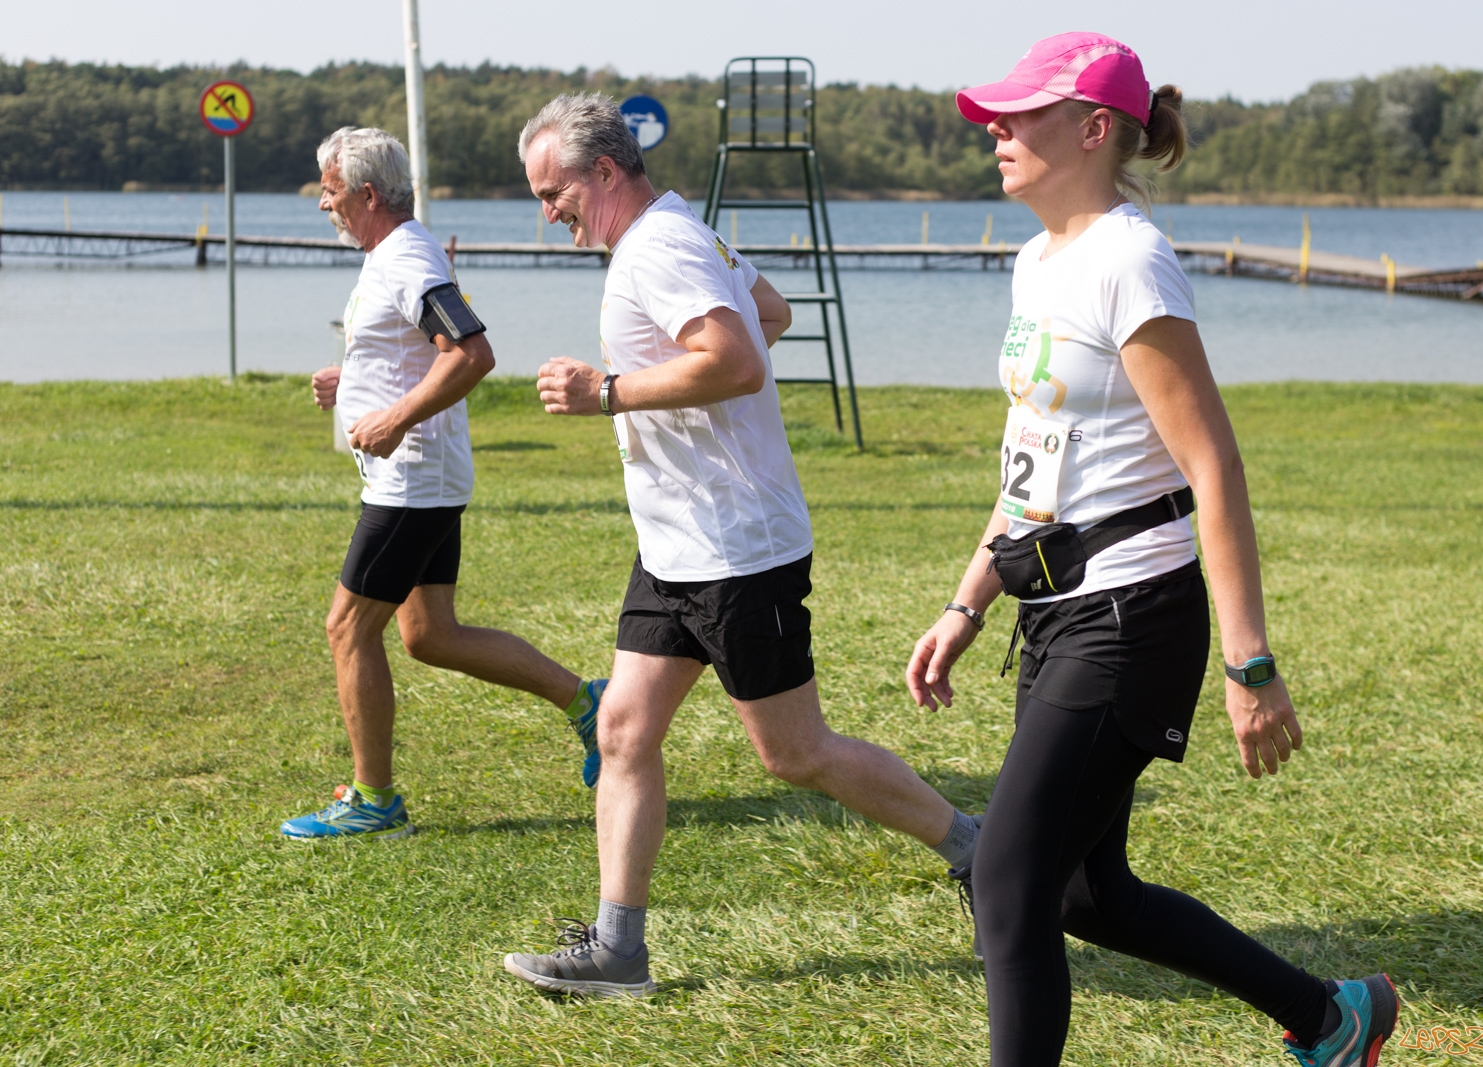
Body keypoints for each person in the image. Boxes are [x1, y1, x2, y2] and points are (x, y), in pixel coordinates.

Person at [903, 33, 1398, 1067]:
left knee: (1005, 879)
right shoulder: (1036, 261)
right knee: (1086, 888)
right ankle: (1332, 1016)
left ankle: (1330, 1019)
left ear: (1090, 130)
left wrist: (1249, 663)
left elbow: (1210, 465)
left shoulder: (1131, 260)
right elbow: (1032, 461)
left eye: (1019, 115)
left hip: (1131, 617)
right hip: (1054, 608)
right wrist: (967, 602)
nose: (995, 131)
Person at [500, 93, 982, 997]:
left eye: (551, 189)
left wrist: (608, 391)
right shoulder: (686, 232)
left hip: (735, 550)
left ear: (604, 172)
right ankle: (618, 949)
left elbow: (741, 357)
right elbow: (775, 309)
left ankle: (978, 852)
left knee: (795, 753)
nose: (547, 210)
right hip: (677, 545)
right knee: (623, 727)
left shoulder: (663, 245)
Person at [280, 126, 608, 841]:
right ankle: (588, 704)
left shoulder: (407, 257)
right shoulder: (391, 256)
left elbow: (470, 353)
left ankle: (374, 801)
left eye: (330, 192)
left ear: (366, 194)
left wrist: (395, 417)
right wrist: (356, 381)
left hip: (411, 481)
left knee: (346, 628)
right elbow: (413, 349)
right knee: (430, 634)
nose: (324, 206)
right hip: (421, 477)